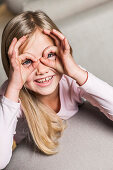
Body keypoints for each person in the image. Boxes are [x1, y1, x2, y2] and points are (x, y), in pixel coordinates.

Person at [0, 10, 113, 169]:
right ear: (12, 67)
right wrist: (13, 88)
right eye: (26, 61)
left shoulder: (70, 78)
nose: (41, 70)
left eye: (50, 54)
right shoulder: (11, 95)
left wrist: (75, 71)